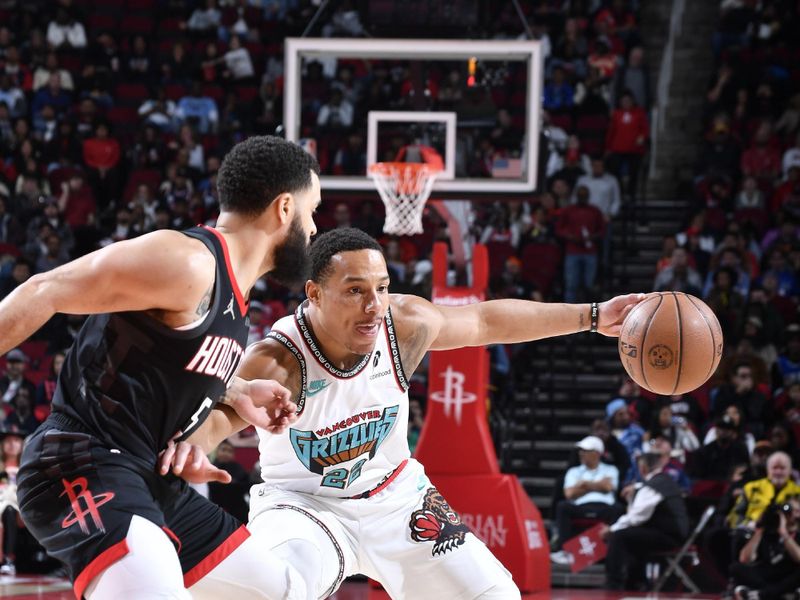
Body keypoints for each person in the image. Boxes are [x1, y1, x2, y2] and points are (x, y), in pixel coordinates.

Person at [162, 227, 646, 599]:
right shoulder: (278, 359)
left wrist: (594, 315)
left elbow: (483, 320)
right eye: (355, 290)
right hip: (303, 507)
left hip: (398, 498)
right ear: (313, 293)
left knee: (497, 594)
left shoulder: (402, 326)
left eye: (381, 287)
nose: (374, 305)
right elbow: (219, 419)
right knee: (282, 587)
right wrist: (193, 449)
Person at [1, 136, 325, 599]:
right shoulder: (190, 263)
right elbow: (44, 290)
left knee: (283, 591)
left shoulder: (231, 296)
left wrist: (232, 391)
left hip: (148, 479)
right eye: (313, 211)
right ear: (285, 208)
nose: (314, 228)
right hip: (79, 462)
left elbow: (161, 359)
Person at [601, 450, 690, 591]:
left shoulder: (653, 487)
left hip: (669, 536)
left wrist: (611, 529)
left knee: (619, 536)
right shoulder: (664, 481)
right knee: (634, 537)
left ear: (643, 468)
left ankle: (613, 584)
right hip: (673, 533)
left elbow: (636, 517)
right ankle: (635, 582)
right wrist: (635, 490)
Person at [550, 435, 623, 564]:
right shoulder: (573, 471)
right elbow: (570, 493)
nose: (581, 454)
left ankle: (612, 552)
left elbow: (608, 487)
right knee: (562, 506)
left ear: (597, 453)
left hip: (605, 507)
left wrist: (583, 484)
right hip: (581, 507)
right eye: (581, 451)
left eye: (585, 451)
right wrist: (597, 485)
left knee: (618, 509)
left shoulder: (611, 469)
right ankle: (564, 551)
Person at [731, 498, 800, 600]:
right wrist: (761, 528)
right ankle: (769, 593)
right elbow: (745, 559)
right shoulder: (769, 532)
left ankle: (761, 594)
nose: (789, 514)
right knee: (736, 568)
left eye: (796, 511)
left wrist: (784, 533)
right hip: (769, 574)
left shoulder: (798, 534)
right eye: (787, 510)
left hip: (788, 575)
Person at [0, 425, 24, 576]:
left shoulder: (26, 467)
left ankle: (8, 558)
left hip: (19, 507)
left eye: (16, 440)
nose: (12, 444)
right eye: (8, 440)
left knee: (9, 507)